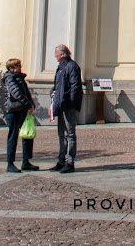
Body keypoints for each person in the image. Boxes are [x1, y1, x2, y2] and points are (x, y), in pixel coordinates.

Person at [50, 44, 83, 173]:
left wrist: (71, 103)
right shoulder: (60, 67)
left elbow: (75, 87)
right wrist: (53, 93)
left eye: (56, 53)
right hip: (60, 104)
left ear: (62, 54)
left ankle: (70, 161)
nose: (55, 56)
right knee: (61, 133)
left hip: (68, 105)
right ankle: (61, 160)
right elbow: (57, 85)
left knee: (70, 133)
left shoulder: (72, 66)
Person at [3, 58, 39, 173]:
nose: (20, 67)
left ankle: (26, 161)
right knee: (13, 136)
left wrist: (31, 104)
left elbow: (26, 93)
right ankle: (10, 163)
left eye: (19, 65)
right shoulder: (10, 78)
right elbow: (16, 93)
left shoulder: (19, 77)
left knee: (27, 135)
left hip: (22, 109)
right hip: (13, 110)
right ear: (11, 68)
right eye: (18, 65)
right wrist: (28, 104)